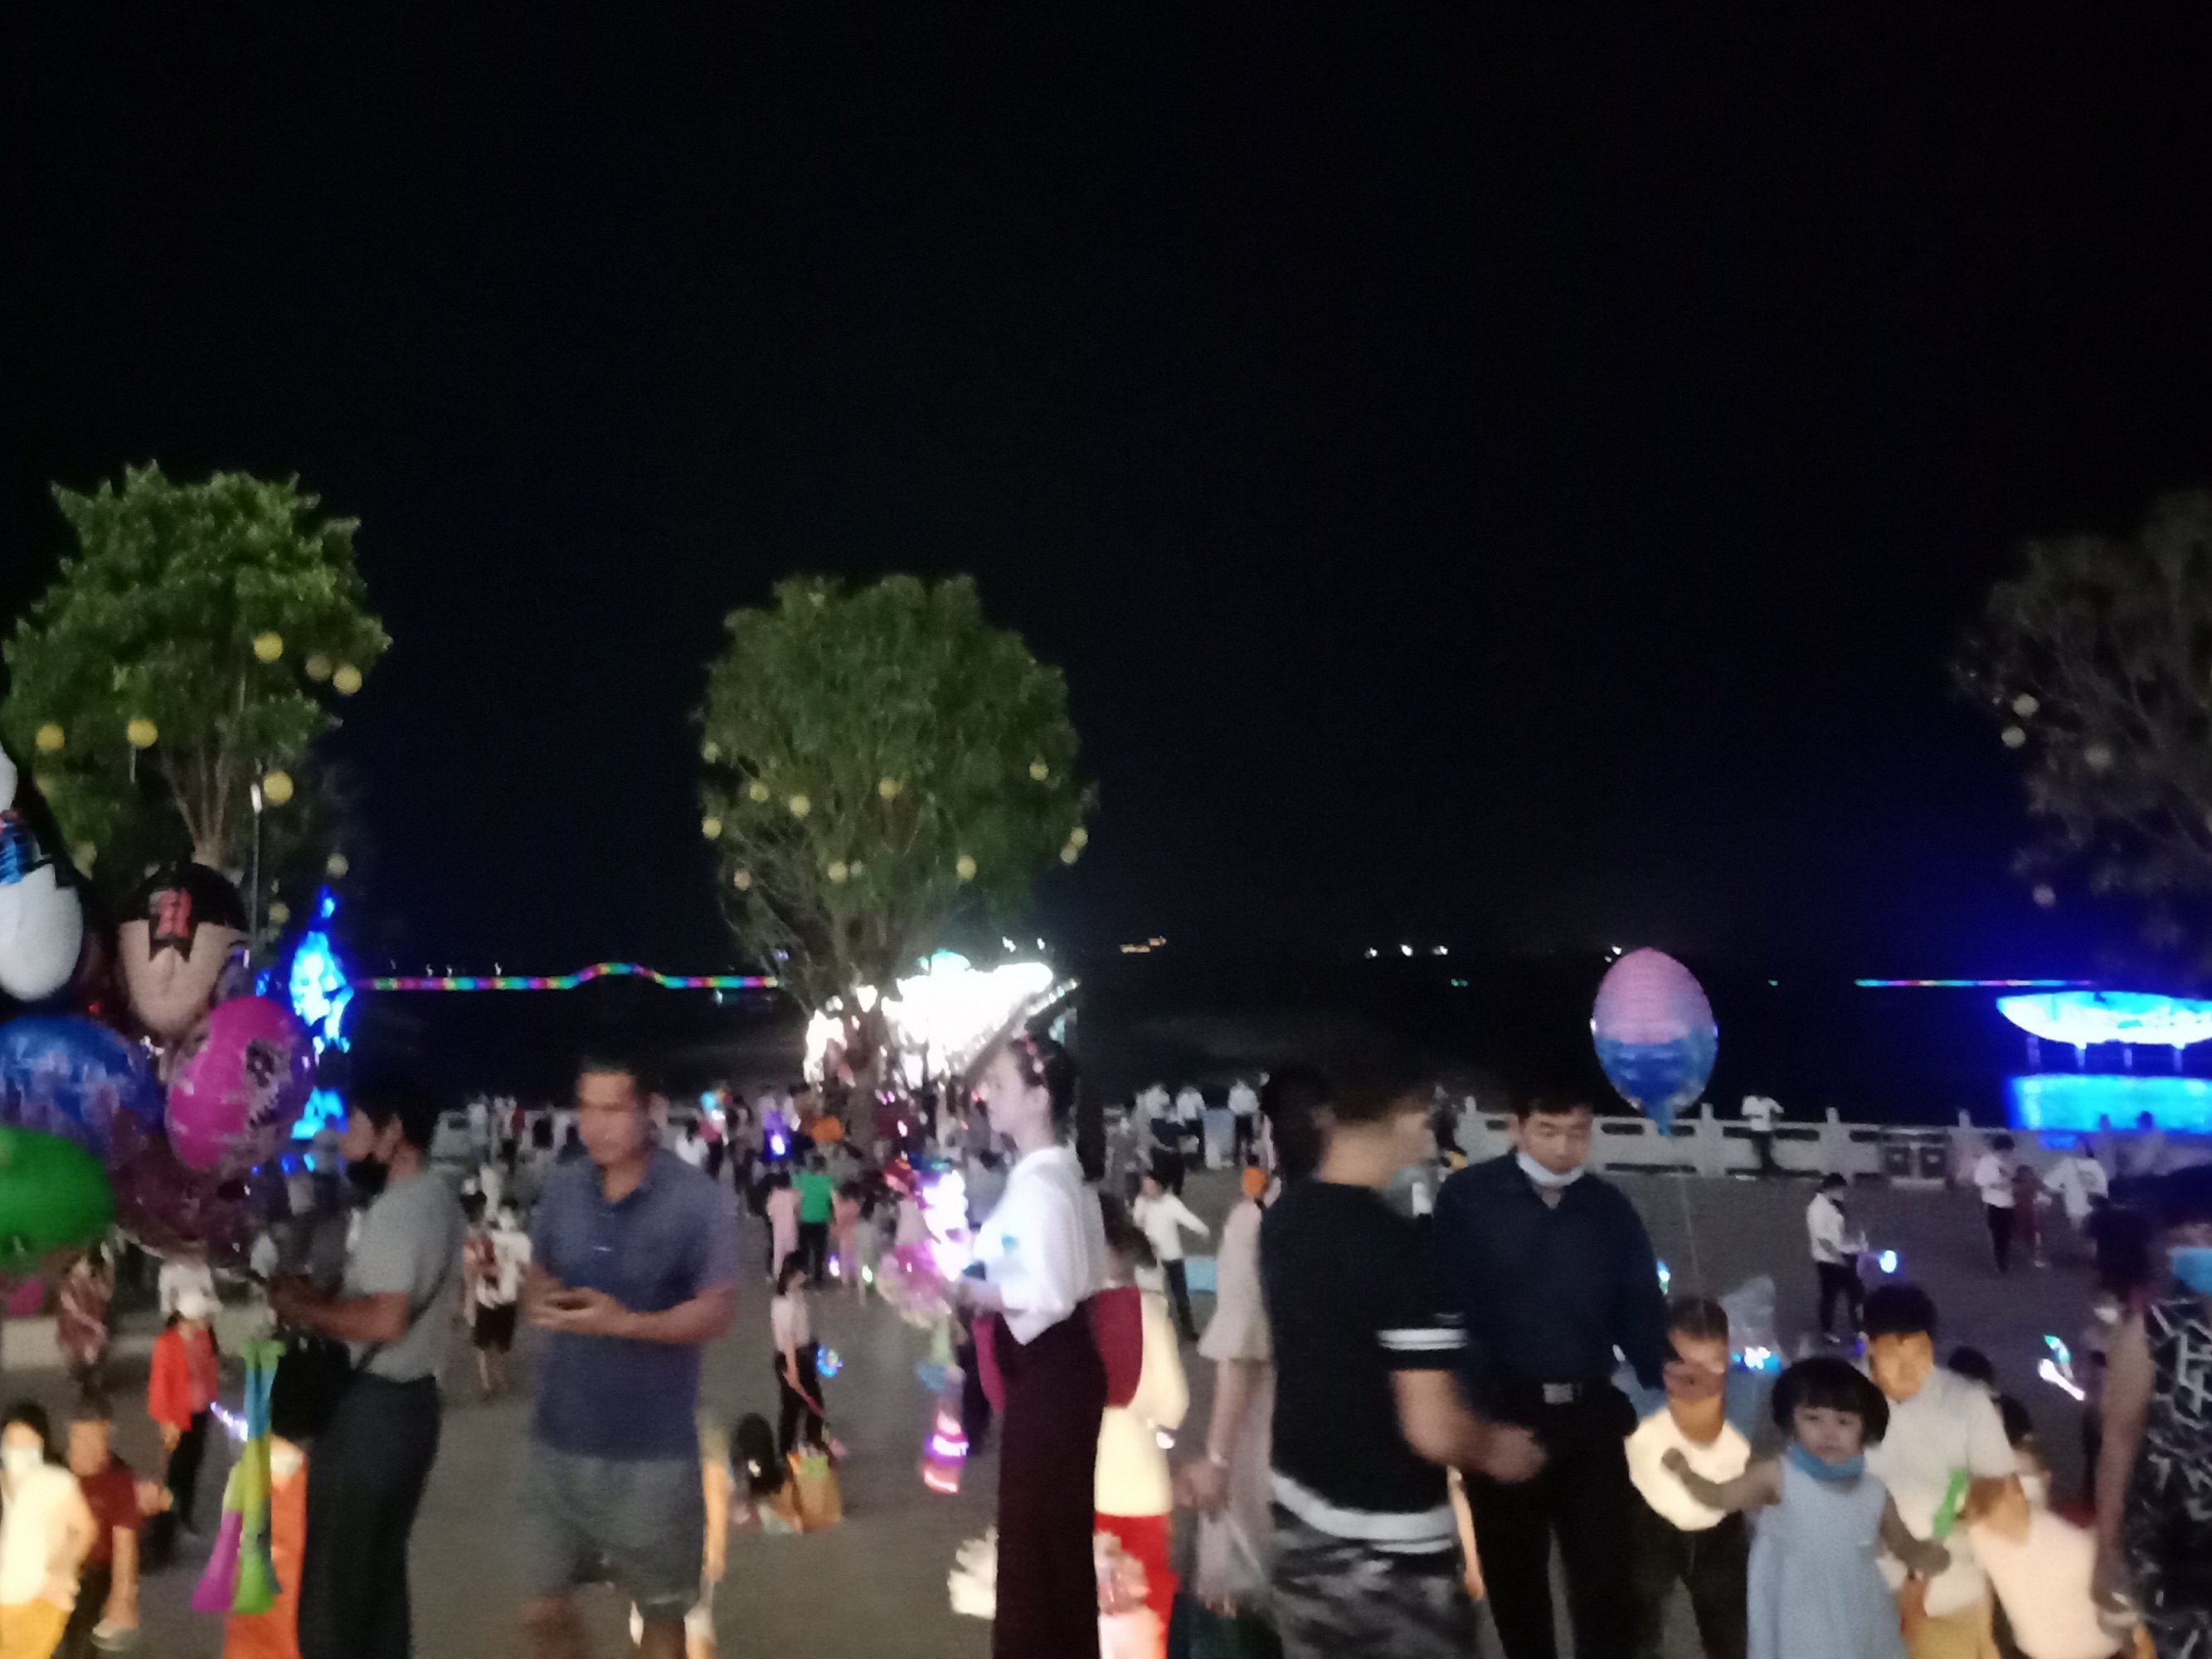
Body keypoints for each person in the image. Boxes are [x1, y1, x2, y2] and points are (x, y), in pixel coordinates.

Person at [1262, 1067, 1542, 1657]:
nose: (1430, 1131)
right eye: (1427, 1115)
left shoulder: (1285, 1220)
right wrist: (1498, 1448)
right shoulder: (1403, 1252)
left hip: (1301, 1528)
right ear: (1406, 1115)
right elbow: (1432, 1428)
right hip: (1394, 1554)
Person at [1433, 1098, 1670, 1659]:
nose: (1564, 1147)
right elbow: (1450, 1306)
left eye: (1577, 1132)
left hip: (1589, 1416)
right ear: (1515, 1126)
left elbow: (1637, 1303)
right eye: (1548, 1131)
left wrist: (1663, 1363)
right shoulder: (1469, 1199)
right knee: (1516, 1585)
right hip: (1505, 1415)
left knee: (1607, 1584)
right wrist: (1478, 1414)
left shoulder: (1608, 1208)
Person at [519, 1057, 739, 1659]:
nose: (596, 1125)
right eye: (586, 1107)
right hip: (558, 1442)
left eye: (613, 1108)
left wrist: (627, 1323)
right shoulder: (564, 1188)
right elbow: (539, 1270)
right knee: (542, 1611)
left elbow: (718, 1310)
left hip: (652, 1456)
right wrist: (539, 1298)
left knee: (661, 1617)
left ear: (651, 1111)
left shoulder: (694, 1199)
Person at [268, 1072, 467, 1659]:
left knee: (335, 1591)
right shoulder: (438, 1198)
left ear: (393, 1131)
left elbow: (384, 1318)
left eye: (354, 1122)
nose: (344, 1137)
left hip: (373, 1413)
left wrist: (303, 1308)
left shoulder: (401, 1208)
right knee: (378, 1582)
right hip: (414, 1407)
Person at [946, 1034, 1111, 1659]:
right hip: (1055, 1375)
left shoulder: (1044, 1184)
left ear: (1040, 1099)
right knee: (1051, 1548)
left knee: (1038, 1550)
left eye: (1000, 1084)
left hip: (1050, 1376)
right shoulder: (1052, 1173)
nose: (987, 1095)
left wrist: (971, 1290)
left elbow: (1049, 1292)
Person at [1663, 1356, 1948, 1659]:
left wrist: (1923, 1554)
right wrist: (1687, 1475)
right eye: (1813, 1418)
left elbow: (1901, 1542)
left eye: (1844, 1422)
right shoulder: (1779, 1476)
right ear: (1791, 1422)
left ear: (1865, 1429)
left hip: (1859, 1608)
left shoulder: (1873, 1491)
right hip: (1797, 1609)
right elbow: (1721, 1497)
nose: (1828, 1432)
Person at [1179, 1063, 1333, 1593]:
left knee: (1266, 1583)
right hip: (1356, 1433)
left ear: (1270, 1133)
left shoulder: (1257, 1221)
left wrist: (1217, 1459)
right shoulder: (1377, 1217)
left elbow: (1240, 1355)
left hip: (1276, 1428)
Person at [1861, 1284, 2027, 1659]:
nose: (1908, 1370)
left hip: (1948, 1599)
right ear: (1868, 1345)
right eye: (1893, 1355)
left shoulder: (1967, 1404)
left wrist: (1984, 1507)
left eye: (1919, 1354)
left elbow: (2000, 1497)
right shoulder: (1840, 1403)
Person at [2094, 1164, 2212, 1655]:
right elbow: (2119, 1440)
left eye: (2207, 1233)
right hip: (2172, 1554)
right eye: (2182, 1238)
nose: (2196, 1249)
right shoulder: (2150, 1333)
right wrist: (2106, 1548)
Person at [1624, 1298, 1753, 1659]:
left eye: (1711, 1364)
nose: (1697, 1380)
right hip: (1649, 1521)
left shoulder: (1745, 1389)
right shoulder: (1634, 1391)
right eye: (1683, 1363)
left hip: (1721, 1524)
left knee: (1730, 1630)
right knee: (1640, 1625)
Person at [1093, 1197, 1187, 1652]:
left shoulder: (1052, 1312)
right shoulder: (1145, 1310)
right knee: (1144, 1609)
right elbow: (1173, 1405)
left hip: (1074, 1486)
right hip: (1140, 1483)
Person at [0, 1403, 95, 1659]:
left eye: (27, 1444)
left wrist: (62, 1568)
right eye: (12, 1443)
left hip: (40, 1600)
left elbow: (85, 1529)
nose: (18, 1451)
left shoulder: (56, 1482)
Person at [56, 1398, 137, 1659]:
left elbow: (125, 1541)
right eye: (81, 1438)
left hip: (93, 1575)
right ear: (69, 1435)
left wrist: (122, 1595)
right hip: (52, 1568)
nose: (89, 1449)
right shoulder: (53, 1471)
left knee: (81, 1648)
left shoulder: (119, 1478)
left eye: (98, 1438)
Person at [146, 1288, 218, 1555]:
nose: (207, 1321)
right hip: (178, 1418)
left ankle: (184, 1516)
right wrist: (166, 1421)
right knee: (174, 1473)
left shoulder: (202, 1339)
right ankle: (167, 1529)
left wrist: (212, 1402)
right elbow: (159, 1386)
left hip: (199, 1413)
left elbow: (208, 1370)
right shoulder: (167, 1343)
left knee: (192, 1467)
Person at [1131, 1170, 1208, 1342]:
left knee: (1180, 1293)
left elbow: (1186, 1217)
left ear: (1159, 1186)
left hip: (1173, 1255)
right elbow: (1136, 1224)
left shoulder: (1171, 1203)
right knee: (1155, 1293)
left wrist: (1201, 1229)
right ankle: (1158, 1327)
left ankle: (1187, 1327)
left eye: (1150, 1185)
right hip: (1153, 1256)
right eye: (1145, 1185)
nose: (1147, 1189)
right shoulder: (1141, 1203)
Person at [467, 1201, 532, 1399]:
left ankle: (498, 1377)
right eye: (505, 1214)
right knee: (485, 1343)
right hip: (489, 1297)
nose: (508, 1219)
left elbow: (526, 1271)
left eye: (511, 1214)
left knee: (500, 1343)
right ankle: (488, 1382)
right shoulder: (486, 1239)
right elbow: (473, 1268)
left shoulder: (521, 1241)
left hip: (506, 1298)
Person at [769, 1256, 824, 1459]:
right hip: (793, 1359)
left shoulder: (794, 1295)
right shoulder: (785, 1304)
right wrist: (793, 1371)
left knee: (794, 1408)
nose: (805, 1277)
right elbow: (788, 1339)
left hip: (802, 1355)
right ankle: (805, 1446)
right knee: (807, 1406)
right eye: (802, 1273)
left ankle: (790, 1449)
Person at [1807, 1175, 1867, 1340]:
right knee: (1833, 1295)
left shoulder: (1832, 1206)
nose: (1842, 1193)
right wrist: (1839, 1258)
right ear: (1830, 1189)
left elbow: (1839, 1233)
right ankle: (1831, 1331)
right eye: (1840, 1190)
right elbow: (1822, 1238)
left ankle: (1856, 1328)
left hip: (1841, 1255)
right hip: (1828, 1260)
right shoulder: (1817, 1209)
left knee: (1854, 1292)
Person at [55, 1252, 110, 1399]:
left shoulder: (92, 1282)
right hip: (76, 1327)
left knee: (97, 1353)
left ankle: (92, 1381)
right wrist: (95, 1325)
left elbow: (107, 1296)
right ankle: (82, 1381)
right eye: (84, 1264)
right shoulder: (67, 1287)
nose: (88, 1266)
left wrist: (98, 1281)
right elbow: (76, 1312)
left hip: (94, 1325)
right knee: (81, 1356)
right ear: (74, 1267)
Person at [2045, 1137, 2110, 1263]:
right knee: (2086, 1233)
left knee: (2084, 1233)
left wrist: (2064, 1190)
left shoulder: (2070, 1164)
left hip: (2082, 1206)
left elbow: (2050, 1184)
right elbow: (2103, 1188)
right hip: (2083, 1206)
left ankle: (2086, 1257)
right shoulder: (2088, 1165)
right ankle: (2088, 1258)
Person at [1974, 1135, 2021, 1274]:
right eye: (2004, 1150)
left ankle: (2003, 1258)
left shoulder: (2012, 1162)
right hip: (1993, 1202)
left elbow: (2016, 1179)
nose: (2006, 1154)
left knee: (2007, 1233)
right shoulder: (1986, 1162)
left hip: (2010, 1202)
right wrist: (1997, 1185)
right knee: (1997, 1233)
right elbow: (1979, 1180)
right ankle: (2000, 1262)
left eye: (2008, 1151)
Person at [795, 1155, 836, 1286]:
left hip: (804, 1220)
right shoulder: (828, 1181)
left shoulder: (802, 1179)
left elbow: (796, 1195)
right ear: (824, 1166)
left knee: (804, 1251)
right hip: (821, 1220)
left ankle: (804, 1277)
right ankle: (818, 1278)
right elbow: (834, 1200)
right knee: (819, 1251)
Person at [155, 1253, 216, 1322]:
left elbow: (209, 1290)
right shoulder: (168, 1270)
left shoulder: (202, 1268)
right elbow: (165, 1292)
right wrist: (166, 1309)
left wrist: (212, 1306)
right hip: (181, 1307)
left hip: (198, 1305)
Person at [763, 1170, 800, 1283]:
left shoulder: (774, 1195)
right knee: (791, 1251)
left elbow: (769, 1212)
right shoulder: (794, 1194)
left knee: (778, 1251)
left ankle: (778, 1274)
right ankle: (790, 1274)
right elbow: (798, 1209)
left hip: (778, 1227)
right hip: (791, 1226)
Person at [1741, 1094, 1782, 1176]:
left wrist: (1774, 1119)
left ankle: (1768, 1169)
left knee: (1765, 1150)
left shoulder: (1769, 1101)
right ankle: (1771, 1168)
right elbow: (1745, 1114)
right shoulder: (1750, 1100)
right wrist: (1756, 1116)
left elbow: (1779, 1111)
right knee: (1760, 1150)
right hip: (1754, 1129)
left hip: (1767, 1129)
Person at [1227, 1077, 1260, 1165]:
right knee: (1238, 1137)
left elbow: (1255, 1104)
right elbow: (1231, 1104)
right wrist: (1238, 1111)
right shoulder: (1234, 1092)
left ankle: (1250, 1154)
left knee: (1249, 1137)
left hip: (1248, 1116)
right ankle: (1236, 1156)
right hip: (1239, 1116)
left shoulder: (1251, 1093)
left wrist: (1250, 1111)